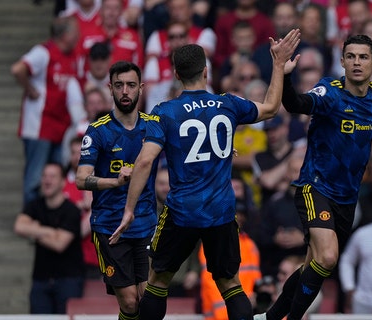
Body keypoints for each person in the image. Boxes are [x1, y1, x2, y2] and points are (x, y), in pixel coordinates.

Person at [113, 28, 301, 320]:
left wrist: (129, 209)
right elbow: (271, 108)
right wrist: (278, 66)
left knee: (158, 280)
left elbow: (145, 161)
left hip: (182, 211)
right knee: (230, 284)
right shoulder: (228, 104)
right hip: (221, 211)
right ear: (206, 70)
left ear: (176, 74)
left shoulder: (165, 112)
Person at [255, 34, 372, 320]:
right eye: (351, 56)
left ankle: (270, 317)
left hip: (347, 198)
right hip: (315, 187)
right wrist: (283, 73)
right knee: (328, 257)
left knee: (314, 265)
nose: (357, 62)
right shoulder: (329, 93)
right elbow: (296, 105)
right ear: (342, 61)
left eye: (363, 57)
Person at [76, 61, 158, 320]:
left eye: (131, 85)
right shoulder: (98, 131)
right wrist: (116, 181)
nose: (125, 91)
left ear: (141, 88)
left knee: (149, 299)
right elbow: (81, 179)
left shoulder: (153, 126)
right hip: (110, 227)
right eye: (119, 85)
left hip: (145, 223)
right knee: (130, 302)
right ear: (110, 88)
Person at [11, 15, 86, 204]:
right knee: (36, 177)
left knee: (55, 176)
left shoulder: (71, 56)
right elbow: (18, 69)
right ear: (65, 34)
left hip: (60, 127)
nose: (79, 35)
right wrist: (30, 90)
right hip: (39, 126)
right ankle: (30, 218)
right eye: (75, 31)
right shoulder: (44, 52)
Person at [13, 162, 85, 314]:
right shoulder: (34, 205)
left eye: (52, 177)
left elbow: (60, 244)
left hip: (68, 280)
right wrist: (51, 232)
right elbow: (18, 226)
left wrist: (34, 231)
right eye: (44, 176)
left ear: (63, 182)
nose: (47, 180)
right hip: (40, 280)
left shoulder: (71, 210)